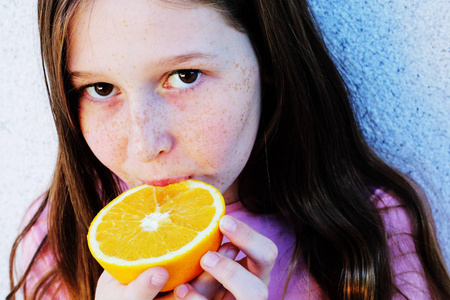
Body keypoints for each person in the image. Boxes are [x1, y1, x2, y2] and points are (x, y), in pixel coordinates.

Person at [7, 0, 450, 299]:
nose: (144, 145)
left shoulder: (369, 233)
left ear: (270, 60)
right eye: (101, 88)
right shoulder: (58, 238)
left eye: (184, 76)